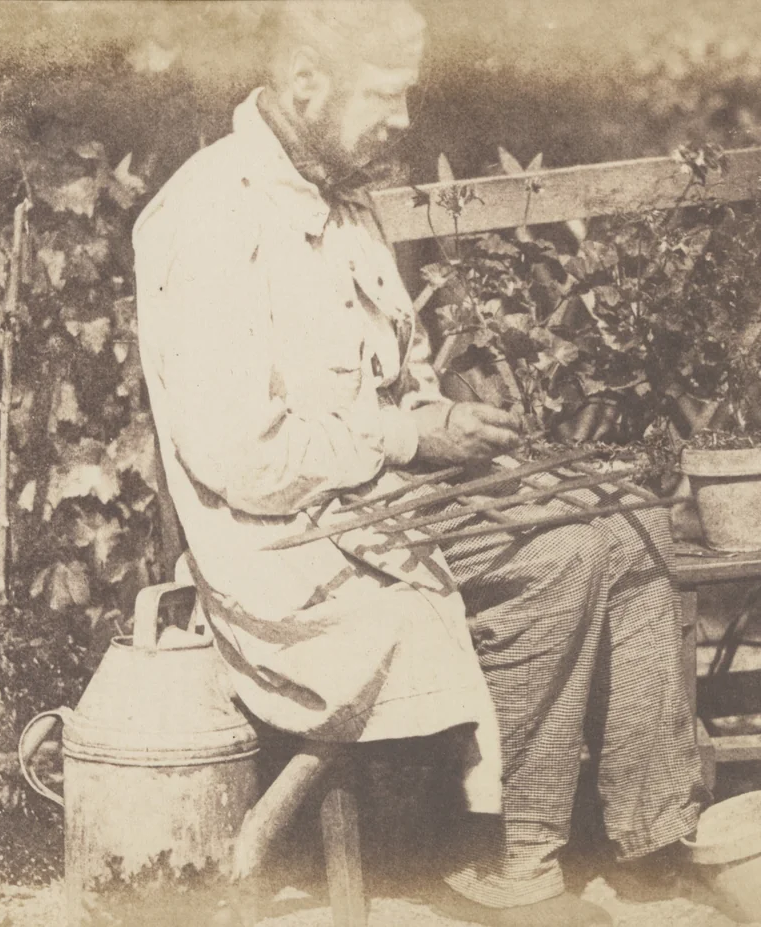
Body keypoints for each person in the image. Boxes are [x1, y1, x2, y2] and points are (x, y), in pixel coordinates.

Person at [132, 3, 706, 925]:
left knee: (632, 523)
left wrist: (448, 419)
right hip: (287, 549)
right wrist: (408, 438)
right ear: (308, 82)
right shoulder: (208, 216)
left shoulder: (345, 199)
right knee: (564, 557)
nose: (404, 119)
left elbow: (401, 387)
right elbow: (239, 456)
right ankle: (513, 860)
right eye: (385, 95)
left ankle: (657, 843)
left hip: (380, 501)